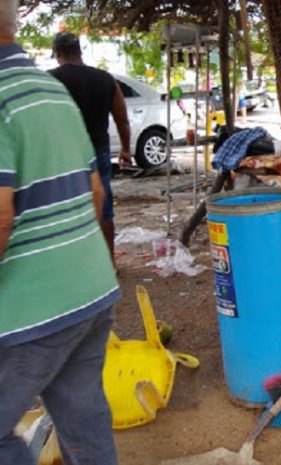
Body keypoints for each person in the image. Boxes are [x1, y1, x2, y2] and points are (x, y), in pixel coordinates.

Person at [0, 2, 122, 464]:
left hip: (32, 306)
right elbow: (96, 193)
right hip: (90, 291)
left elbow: (0, 216)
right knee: (84, 426)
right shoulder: (50, 90)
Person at [50, 32, 131, 260]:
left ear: (57, 53)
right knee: (104, 209)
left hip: (64, 155)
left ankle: (75, 262)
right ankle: (109, 262)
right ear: (79, 51)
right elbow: (122, 119)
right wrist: (126, 149)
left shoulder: (49, 80)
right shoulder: (105, 79)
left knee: (66, 209)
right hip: (98, 152)